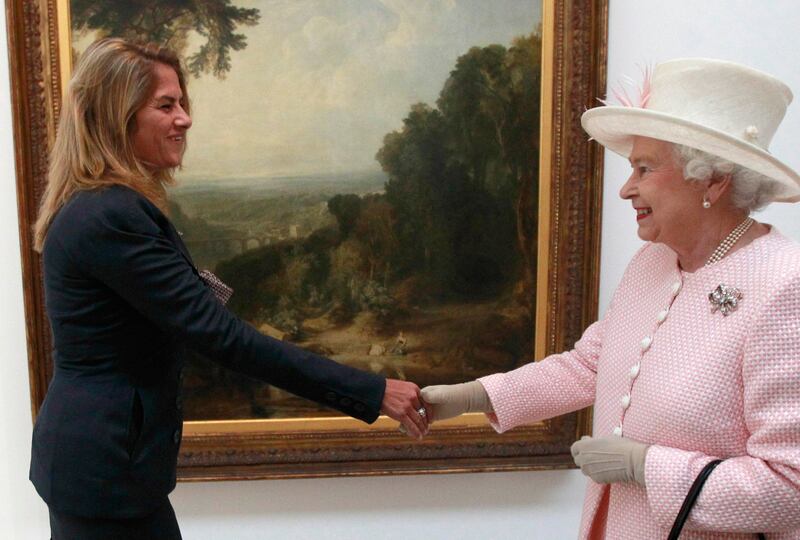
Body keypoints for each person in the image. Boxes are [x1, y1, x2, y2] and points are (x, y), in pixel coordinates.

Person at [30, 38, 428, 539]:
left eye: (183, 103)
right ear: (117, 116)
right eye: (166, 105)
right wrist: (371, 390)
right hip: (105, 475)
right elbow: (224, 338)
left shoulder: (104, 207)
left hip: (103, 468)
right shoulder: (112, 215)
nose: (185, 119)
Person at [422, 58, 800, 538]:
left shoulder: (786, 285)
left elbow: (791, 486)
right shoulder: (655, 263)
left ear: (713, 179)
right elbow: (590, 367)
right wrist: (474, 396)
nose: (626, 189)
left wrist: (647, 467)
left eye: (644, 168)